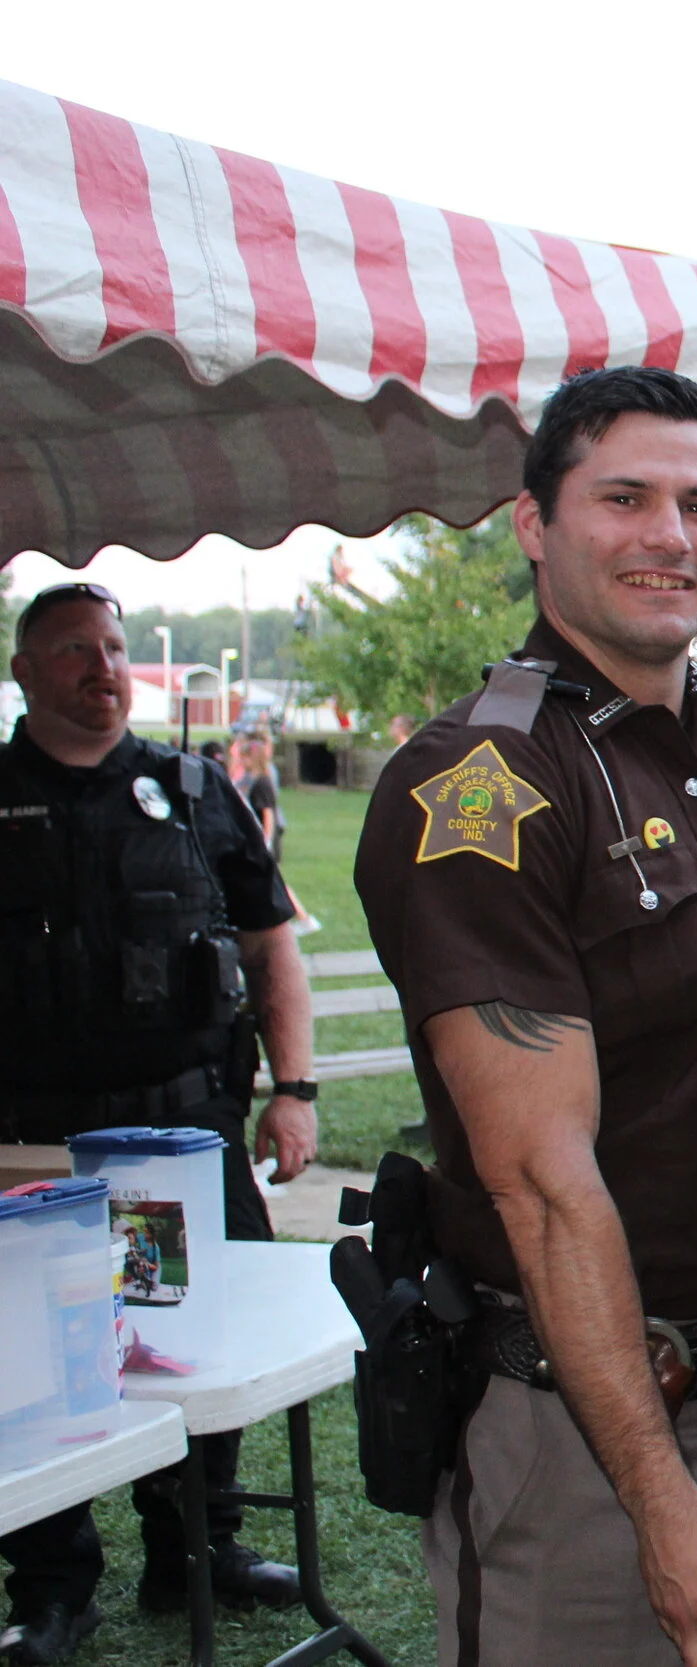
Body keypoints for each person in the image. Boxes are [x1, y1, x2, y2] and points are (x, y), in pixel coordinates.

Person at [353, 367, 697, 1667]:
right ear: (538, 526)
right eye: (626, 498)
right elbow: (541, 1180)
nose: (670, 535)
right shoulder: (479, 782)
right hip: (591, 1434)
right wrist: (660, 1498)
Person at [0, 584, 315, 1663]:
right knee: (38, 1365)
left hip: (177, 1141)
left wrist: (296, 1089)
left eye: (117, 647)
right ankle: (50, 1587)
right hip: (31, 1145)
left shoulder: (188, 789)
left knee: (188, 1347)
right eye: (76, 650)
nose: (105, 667)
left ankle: (197, 1547)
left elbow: (273, 943)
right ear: (25, 670)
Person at [237, 732, 283, 863]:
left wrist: (266, 841)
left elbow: (268, 814)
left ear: (253, 759)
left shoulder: (262, 783)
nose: (241, 761)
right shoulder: (252, 781)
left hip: (264, 841)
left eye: (244, 758)